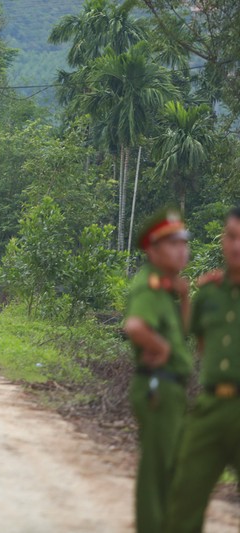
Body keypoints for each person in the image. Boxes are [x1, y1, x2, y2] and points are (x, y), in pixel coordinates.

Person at [166, 207, 240, 533]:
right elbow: (190, 336)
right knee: (183, 497)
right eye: (233, 237)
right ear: (223, 240)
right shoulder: (209, 293)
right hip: (210, 407)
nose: (237, 246)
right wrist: (183, 297)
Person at [123, 208, 193, 533]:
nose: (182, 250)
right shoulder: (150, 287)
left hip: (169, 388)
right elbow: (135, 326)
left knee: (169, 467)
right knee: (157, 470)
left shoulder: (167, 289)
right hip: (157, 386)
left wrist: (184, 297)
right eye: (173, 244)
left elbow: (183, 335)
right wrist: (160, 348)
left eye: (184, 243)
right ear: (152, 250)